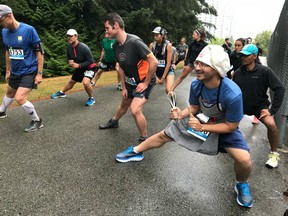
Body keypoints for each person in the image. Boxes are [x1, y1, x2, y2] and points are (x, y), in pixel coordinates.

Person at [115, 45, 254, 208]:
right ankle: (136, 151)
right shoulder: (197, 84)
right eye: (197, 63)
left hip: (222, 125)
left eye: (203, 65)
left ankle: (241, 184)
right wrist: (181, 114)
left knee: (244, 160)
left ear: (217, 68)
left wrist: (203, 128)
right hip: (202, 120)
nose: (197, 67)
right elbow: (194, 107)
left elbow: (231, 126)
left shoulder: (233, 93)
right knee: (164, 135)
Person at [99, 12, 158, 143]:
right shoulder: (115, 45)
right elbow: (119, 67)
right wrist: (124, 87)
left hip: (143, 80)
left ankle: (144, 139)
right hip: (130, 80)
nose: (106, 31)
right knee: (124, 103)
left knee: (135, 109)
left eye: (107, 28)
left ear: (115, 26)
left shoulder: (135, 42)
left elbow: (154, 62)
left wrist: (146, 83)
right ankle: (114, 122)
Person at [233, 44, 285, 169]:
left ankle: (274, 154)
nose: (243, 57)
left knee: (271, 125)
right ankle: (227, 146)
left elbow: (280, 89)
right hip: (241, 105)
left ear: (255, 56)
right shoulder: (238, 73)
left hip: (259, 106)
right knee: (227, 123)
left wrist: (272, 110)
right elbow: (232, 91)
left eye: (246, 55)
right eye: (241, 55)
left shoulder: (265, 71)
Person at [0, 4, 44, 132]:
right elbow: (8, 51)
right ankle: (2, 111)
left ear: (9, 16)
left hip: (29, 70)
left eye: (1, 20)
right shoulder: (4, 32)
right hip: (15, 71)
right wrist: (8, 70)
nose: (0, 24)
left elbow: (39, 52)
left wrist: (39, 73)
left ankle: (37, 120)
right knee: (9, 93)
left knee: (19, 98)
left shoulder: (28, 30)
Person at [51, 29, 97, 106]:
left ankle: (91, 98)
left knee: (86, 82)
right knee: (71, 82)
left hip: (90, 67)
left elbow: (90, 61)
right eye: (68, 36)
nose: (69, 38)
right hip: (80, 68)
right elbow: (70, 57)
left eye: (71, 36)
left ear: (76, 36)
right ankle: (62, 93)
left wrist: (79, 65)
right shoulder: (69, 47)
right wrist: (70, 61)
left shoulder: (84, 47)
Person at [149, 26, 175, 93]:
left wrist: (163, 78)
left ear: (162, 35)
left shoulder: (168, 45)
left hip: (167, 70)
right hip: (156, 71)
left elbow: (169, 63)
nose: (155, 37)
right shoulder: (152, 45)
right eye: (154, 35)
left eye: (157, 35)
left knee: (169, 90)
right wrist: (155, 76)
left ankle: (173, 102)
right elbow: (150, 62)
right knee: (145, 88)